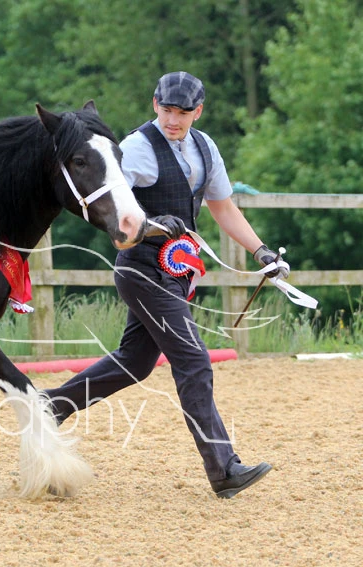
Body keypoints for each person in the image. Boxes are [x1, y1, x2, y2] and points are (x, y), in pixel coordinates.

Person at [44, 71, 290, 498]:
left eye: (183, 112)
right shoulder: (136, 148)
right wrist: (155, 225)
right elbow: (117, 209)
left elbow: (223, 208)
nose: (173, 120)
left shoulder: (205, 147)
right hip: (141, 269)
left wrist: (261, 252)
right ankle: (223, 469)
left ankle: (50, 406)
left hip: (175, 273)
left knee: (135, 362)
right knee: (194, 360)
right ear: (155, 104)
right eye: (167, 110)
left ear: (198, 111)